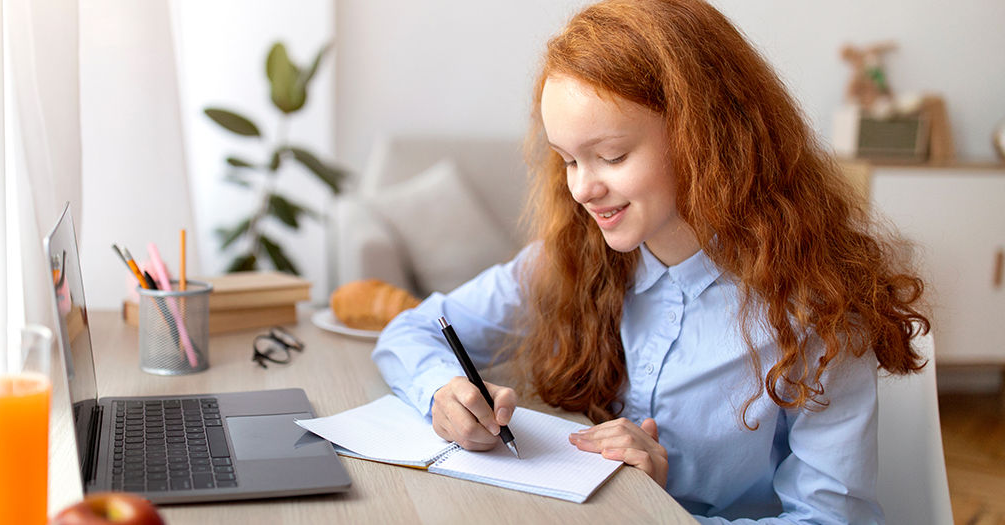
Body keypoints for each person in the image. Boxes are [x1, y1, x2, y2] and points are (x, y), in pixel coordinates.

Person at [371, 0, 929, 522]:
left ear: (706, 139)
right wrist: (443, 391)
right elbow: (410, 331)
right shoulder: (568, 261)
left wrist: (663, 508)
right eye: (567, 159)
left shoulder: (817, 311)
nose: (583, 189)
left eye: (611, 156)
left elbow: (830, 518)